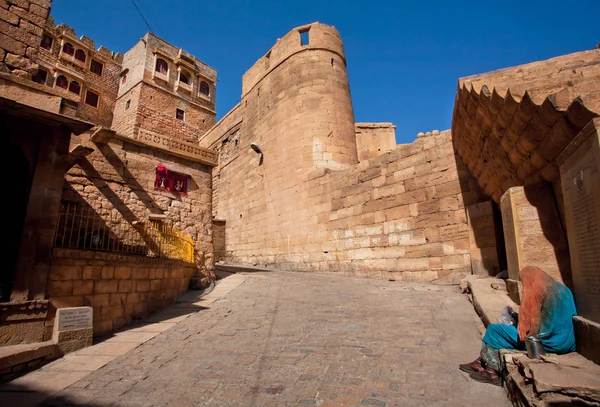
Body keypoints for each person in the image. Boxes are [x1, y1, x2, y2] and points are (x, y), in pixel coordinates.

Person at [460, 266, 577, 386]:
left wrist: (520, 328)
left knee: (495, 330)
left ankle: (491, 372)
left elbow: (530, 329)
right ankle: (478, 362)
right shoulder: (563, 289)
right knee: (505, 328)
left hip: (549, 343)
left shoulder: (537, 290)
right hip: (567, 342)